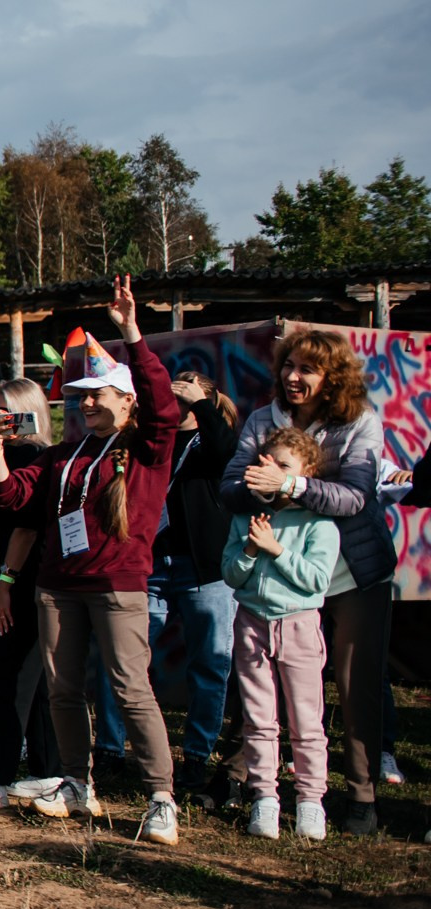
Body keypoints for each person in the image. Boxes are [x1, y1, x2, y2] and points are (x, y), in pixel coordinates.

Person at [0, 277, 183, 842]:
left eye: (99, 394)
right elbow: (12, 497)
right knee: (63, 688)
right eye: (83, 395)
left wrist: (132, 333)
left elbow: (164, 406)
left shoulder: (146, 448)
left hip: (117, 584)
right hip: (58, 586)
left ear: (126, 400)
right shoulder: (64, 454)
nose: (88, 402)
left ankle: (161, 797)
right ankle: (77, 782)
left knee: (130, 688)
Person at [218, 326, 395, 836]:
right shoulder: (263, 419)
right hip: (278, 576)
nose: (293, 377)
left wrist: (290, 484)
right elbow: (231, 487)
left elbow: (355, 496)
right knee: (261, 688)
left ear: (333, 377)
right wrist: (263, 490)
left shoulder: (360, 423)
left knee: (355, 686)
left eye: (308, 370)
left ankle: (360, 796)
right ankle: (250, 783)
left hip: (351, 571)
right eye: (289, 367)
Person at [88, 372, 238, 787]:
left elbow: (225, 454)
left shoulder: (212, 440)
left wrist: (202, 406)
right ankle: (110, 749)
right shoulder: (152, 439)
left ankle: (196, 757)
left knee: (209, 663)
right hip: (148, 564)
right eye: (176, 387)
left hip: (204, 567)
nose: (180, 393)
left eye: (189, 390)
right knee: (123, 657)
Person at [221, 426, 343, 841]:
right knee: (258, 718)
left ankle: (310, 801)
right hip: (252, 624)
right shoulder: (245, 517)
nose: (271, 470)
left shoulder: (319, 524)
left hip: (299, 625)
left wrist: (277, 549)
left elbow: (316, 580)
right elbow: (231, 574)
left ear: (306, 473)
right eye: (266, 461)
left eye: (284, 465)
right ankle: (265, 798)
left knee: (306, 721)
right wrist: (251, 550)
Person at [0, 380, 68, 813]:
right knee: (33, 680)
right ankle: (48, 769)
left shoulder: (32, 455)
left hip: (24, 577)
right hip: (12, 575)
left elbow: (24, 527)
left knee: (8, 678)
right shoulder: (2, 453)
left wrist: (5, 582)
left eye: (6, 411)